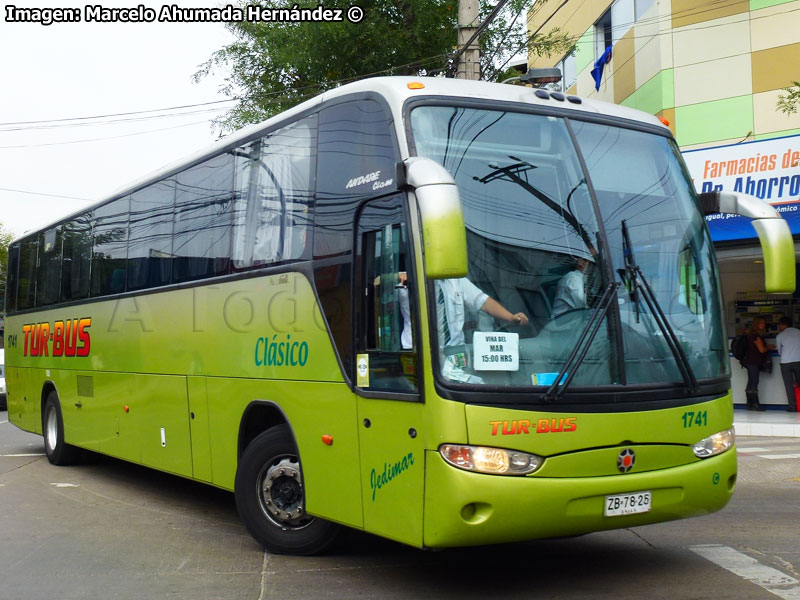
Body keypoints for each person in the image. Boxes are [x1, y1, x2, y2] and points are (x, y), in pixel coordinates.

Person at [435, 277, 529, 383]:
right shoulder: (416, 279)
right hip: (430, 355)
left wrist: (511, 317)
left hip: (456, 354)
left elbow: (483, 302)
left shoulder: (456, 280)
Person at [741, 316, 770, 411]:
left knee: (751, 383)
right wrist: (768, 348)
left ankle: (750, 404)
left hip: (749, 362)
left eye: (764, 323)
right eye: (761, 323)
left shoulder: (751, 334)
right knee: (754, 383)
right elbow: (761, 350)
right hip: (754, 362)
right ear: (756, 324)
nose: (763, 325)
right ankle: (755, 404)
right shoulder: (756, 336)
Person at [776, 316, 800, 412]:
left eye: (780, 325)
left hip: (786, 362)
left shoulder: (780, 336)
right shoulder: (799, 332)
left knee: (789, 385)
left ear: (783, 325)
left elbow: (779, 351)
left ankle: (792, 407)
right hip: (799, 361)